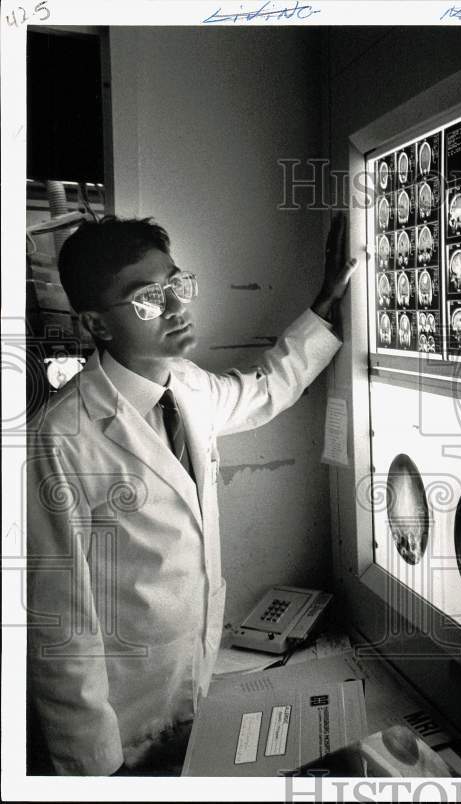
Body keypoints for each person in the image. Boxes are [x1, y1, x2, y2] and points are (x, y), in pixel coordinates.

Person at [25, 211, 357, 775]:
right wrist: (97, 769)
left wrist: (324, 305)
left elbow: (262, 392)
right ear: (97, 325)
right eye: (149, 299)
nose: (178, 306)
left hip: (193, 687)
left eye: (176, 284)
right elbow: (62, 632)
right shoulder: (60, 441)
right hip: (123, 728)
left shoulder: (187, 385)